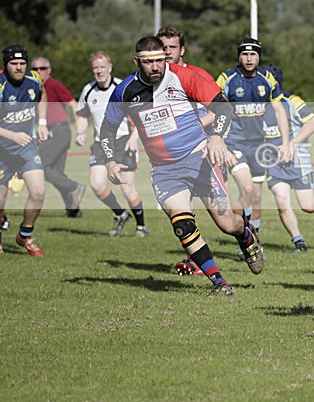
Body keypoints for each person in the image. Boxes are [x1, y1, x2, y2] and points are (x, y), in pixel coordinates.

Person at [99, 36, 264, 296]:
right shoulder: (125, 91)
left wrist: (217, 137)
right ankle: (219, 283)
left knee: (228, 224)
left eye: (159, 61)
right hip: (165, 170)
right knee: (182, 225)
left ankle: (246, 236)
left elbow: (223, 107)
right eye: (147, 62)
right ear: (136, 62)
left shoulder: (183, 77)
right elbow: (107, 130)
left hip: (200, 158)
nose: (155, 67)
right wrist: (109, 160)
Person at [216, 38, 292, 248]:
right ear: (239, 56)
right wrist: (218, 142)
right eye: (244, 54)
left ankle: (252, 241)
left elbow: (279, 110)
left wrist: (286, 143)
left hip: (258, 145)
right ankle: (244, 236)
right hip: (234, 144)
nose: (248, 58)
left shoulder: (267, 79)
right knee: (247, 187)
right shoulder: (227, 78)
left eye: (253, 54)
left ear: (259, 56)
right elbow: (215, 110)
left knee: (256, 196)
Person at [262, 63, 314, 252]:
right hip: (274, 163)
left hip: (298, 161)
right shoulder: (258, 105)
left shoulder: (292, 101)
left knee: (308, 206)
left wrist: (291, 144)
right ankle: (299, 241)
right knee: (281, 201)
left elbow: (312, 124)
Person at [157, 26, 214, 274]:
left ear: (182, 49)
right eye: (163, 48)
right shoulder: (154, 80)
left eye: (172, 47)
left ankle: (243, 230)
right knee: (182, 211)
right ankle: (196, 261)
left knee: (223, 217)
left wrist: (196, 126)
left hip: (202, 151)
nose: (167, 52)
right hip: (171, 156)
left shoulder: (196, 75)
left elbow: (218, 110)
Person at [75, 51, 148, 237]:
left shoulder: (123, 87)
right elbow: (82, 114)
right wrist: (81, 132)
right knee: (97, 184)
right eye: (95, 68)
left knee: (126, 187)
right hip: (101, 143)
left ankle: (141, 225)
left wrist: (134, 137)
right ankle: (121, 214)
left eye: (102, 67)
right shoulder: (88, 90)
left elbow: (141, 116)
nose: (99, 71)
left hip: (124, 141)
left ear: (110, 67)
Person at [0, 44, 49, 256]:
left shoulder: (34, 80)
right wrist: (12, 135)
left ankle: (25, 235)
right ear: (6, 65)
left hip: (26, 148)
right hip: (2, 150)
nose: (19, 68)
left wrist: (43, 122)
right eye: (14, 64)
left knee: (38, 192)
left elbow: (43, 96)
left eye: (22, 63)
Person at [30, 56, 86, 217]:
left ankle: (74, 187)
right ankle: (73, 210)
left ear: (49, 70)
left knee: (40, 166)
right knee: (57, 173)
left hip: (59, 131)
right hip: (50, 131)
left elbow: (73, 105)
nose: (39, 72)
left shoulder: (54, 85)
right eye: (35, 69)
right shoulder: (34, 87)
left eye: (42, 68)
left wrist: (80, 130)